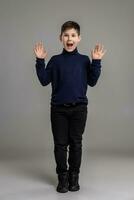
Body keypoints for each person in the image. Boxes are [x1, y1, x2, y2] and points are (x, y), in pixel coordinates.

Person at [34, 21, 106, 193]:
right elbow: (44, 80)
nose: (69, 38)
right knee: (60, 145)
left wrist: (96, 62)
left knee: (76, 144)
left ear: (79, 39)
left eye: (73, 35)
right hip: (58, 109)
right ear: (61, 38)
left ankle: (74, 177)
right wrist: (40, 60)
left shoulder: (83, 60)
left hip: (79, 109)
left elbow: (92, 81)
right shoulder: (55, 60)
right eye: (66, 35)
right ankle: (62, 178)